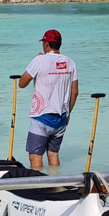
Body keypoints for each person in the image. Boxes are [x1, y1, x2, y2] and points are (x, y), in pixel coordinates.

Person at [18, 29, 78, 170]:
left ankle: (40, 188)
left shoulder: (39, 60)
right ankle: (56, 186)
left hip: (42, 118)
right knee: (53, 155)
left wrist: (38, 62)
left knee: (35, 157)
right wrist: (68, 113)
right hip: (61, 118)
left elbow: (22, 83)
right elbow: (74, 92)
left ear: (46, 44)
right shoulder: (70, 62)